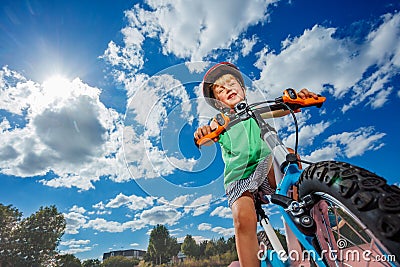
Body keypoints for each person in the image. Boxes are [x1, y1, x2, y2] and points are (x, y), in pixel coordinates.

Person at [194, 62, 318, 267]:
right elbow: (208, 134)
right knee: (243, 219)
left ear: (243, 89)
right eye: (221, 90)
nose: (228, 89)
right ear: (219, 103)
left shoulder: (256, 109)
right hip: (239, 175)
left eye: (231, 83)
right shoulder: (220, 119)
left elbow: (282, 109)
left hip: (266, 165)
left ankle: (307, 227)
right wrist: (203, 133)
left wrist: (296, 100)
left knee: (288, 156)